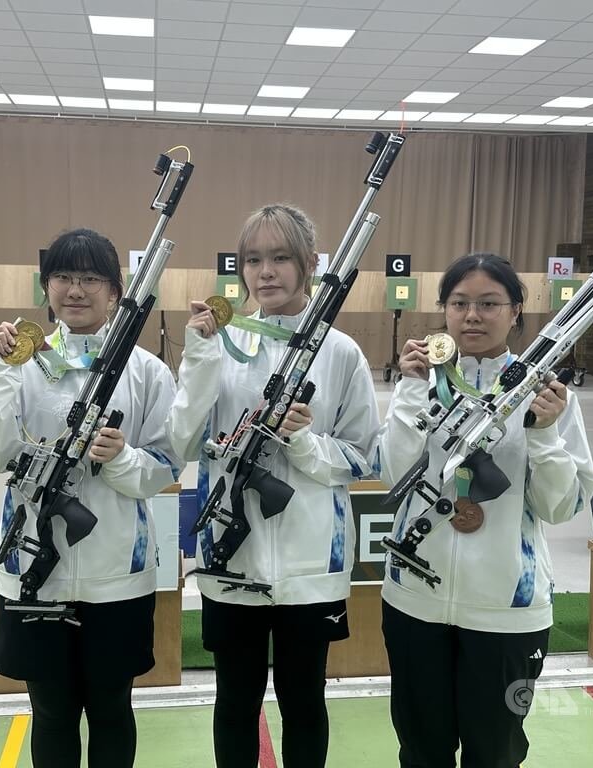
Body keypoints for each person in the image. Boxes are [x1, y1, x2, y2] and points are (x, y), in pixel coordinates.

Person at [169, 204, 379, 768]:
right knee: (234, 700)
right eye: (253, 259)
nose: (265, 272)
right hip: (230, 557)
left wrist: (305, 442)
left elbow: (362, 458)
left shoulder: (341, 353)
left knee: (304, 700)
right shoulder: (220, 343)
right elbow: (182, 441)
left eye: (281, 257)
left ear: (309, 263)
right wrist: (198, 358)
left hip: (311, 566)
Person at [0, 228, 181, 768]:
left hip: (117, 575)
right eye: (62, 276)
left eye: (90, 278)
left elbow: (167, 467)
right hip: (35, 571)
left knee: (112, 709)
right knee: (51, 712)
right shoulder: (20, 362)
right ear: (46, 286)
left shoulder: (147, 371)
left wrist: (123, 458)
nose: (75, 290)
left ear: (115, 292)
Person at [378, 252, 593, 768]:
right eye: (459, 303)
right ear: (444, 309)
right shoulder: (423, 381)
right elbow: (392, 476)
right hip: (415, 602)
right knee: (421, 750)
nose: (472, 316)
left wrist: (544, 435)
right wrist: (409, 390)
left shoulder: (545, 395)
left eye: (489, 303)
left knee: (496, 753)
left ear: (516, 310)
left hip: (507, 608)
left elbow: (561, 506)